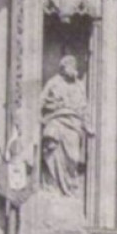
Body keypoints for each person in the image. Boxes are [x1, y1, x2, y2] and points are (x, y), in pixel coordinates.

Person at [39, 54, 91, 199]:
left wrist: (88, 125)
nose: (74, 69)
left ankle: (69, 185)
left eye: (75, 66)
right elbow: (41, 101)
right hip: (55, 120)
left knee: (73, 157)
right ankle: (52, 185)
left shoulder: (79, 85)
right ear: (63, 68)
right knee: (51, 145)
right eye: (70, 66)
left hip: (73, 125)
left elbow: (84, 108)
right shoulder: (54, 82)